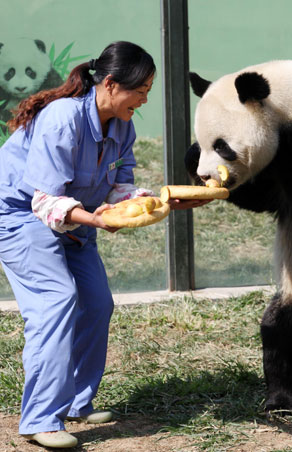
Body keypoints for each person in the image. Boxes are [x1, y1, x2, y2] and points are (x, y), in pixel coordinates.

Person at [0, 41, 206, 449]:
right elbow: (43, 199)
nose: (145, 98)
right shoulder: (62, 118)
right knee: (57, 301)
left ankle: (76, 401)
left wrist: (160, 201)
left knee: (96, 302)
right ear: (110, 84)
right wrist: (94, 219)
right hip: (22, 216)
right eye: (141, 89)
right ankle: (40, 418)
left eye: (149, 89)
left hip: (74, 217)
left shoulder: (122, 125)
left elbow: (118, 188)